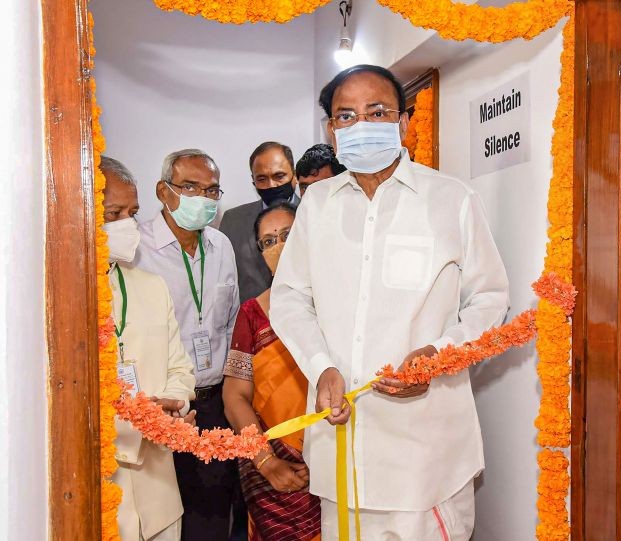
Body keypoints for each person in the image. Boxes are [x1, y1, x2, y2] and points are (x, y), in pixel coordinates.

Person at [269, 65, 510, 540]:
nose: (361, 125)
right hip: (341, 455)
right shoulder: (316, 206)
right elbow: (291, 297)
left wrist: (439, 355)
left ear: (402, 122)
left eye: (376, 111)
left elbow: (489, 299)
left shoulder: (452, 199)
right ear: (331, 131)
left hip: (424, 460)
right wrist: (320, 367)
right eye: (346, 116)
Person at [134, 149, 240, 541]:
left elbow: (228, 323)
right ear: (164, 191)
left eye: (212, 190)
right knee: (159, 516)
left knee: (212, 514)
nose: (203, 198)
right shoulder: (137, 249)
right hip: (163, 407)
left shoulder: (222, 246)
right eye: (190, 187)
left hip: (213, 402)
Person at [101, 155, 197, 541]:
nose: (127, 223)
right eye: (113, 213)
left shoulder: (151, 286)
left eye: (133, 212)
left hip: (161, 493)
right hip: (105, 489)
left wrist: (173, 409)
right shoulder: (55, 298)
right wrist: (135, 424)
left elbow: (181, 369)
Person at [222, 201, 321, 541]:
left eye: (287, 235)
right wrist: (267, 462)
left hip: (336, 459)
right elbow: (234, 398)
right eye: (268, 241)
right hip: (277, 472)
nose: (278, 246)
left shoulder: (342, 304)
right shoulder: (252, 314)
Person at [220, 142, 299, 303]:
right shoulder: (233, 221)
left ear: (295, 175)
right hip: (252, 323)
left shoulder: (312, 214)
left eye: (279, 176)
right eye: (261, 179)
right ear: (253, 181)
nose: (271, 185)